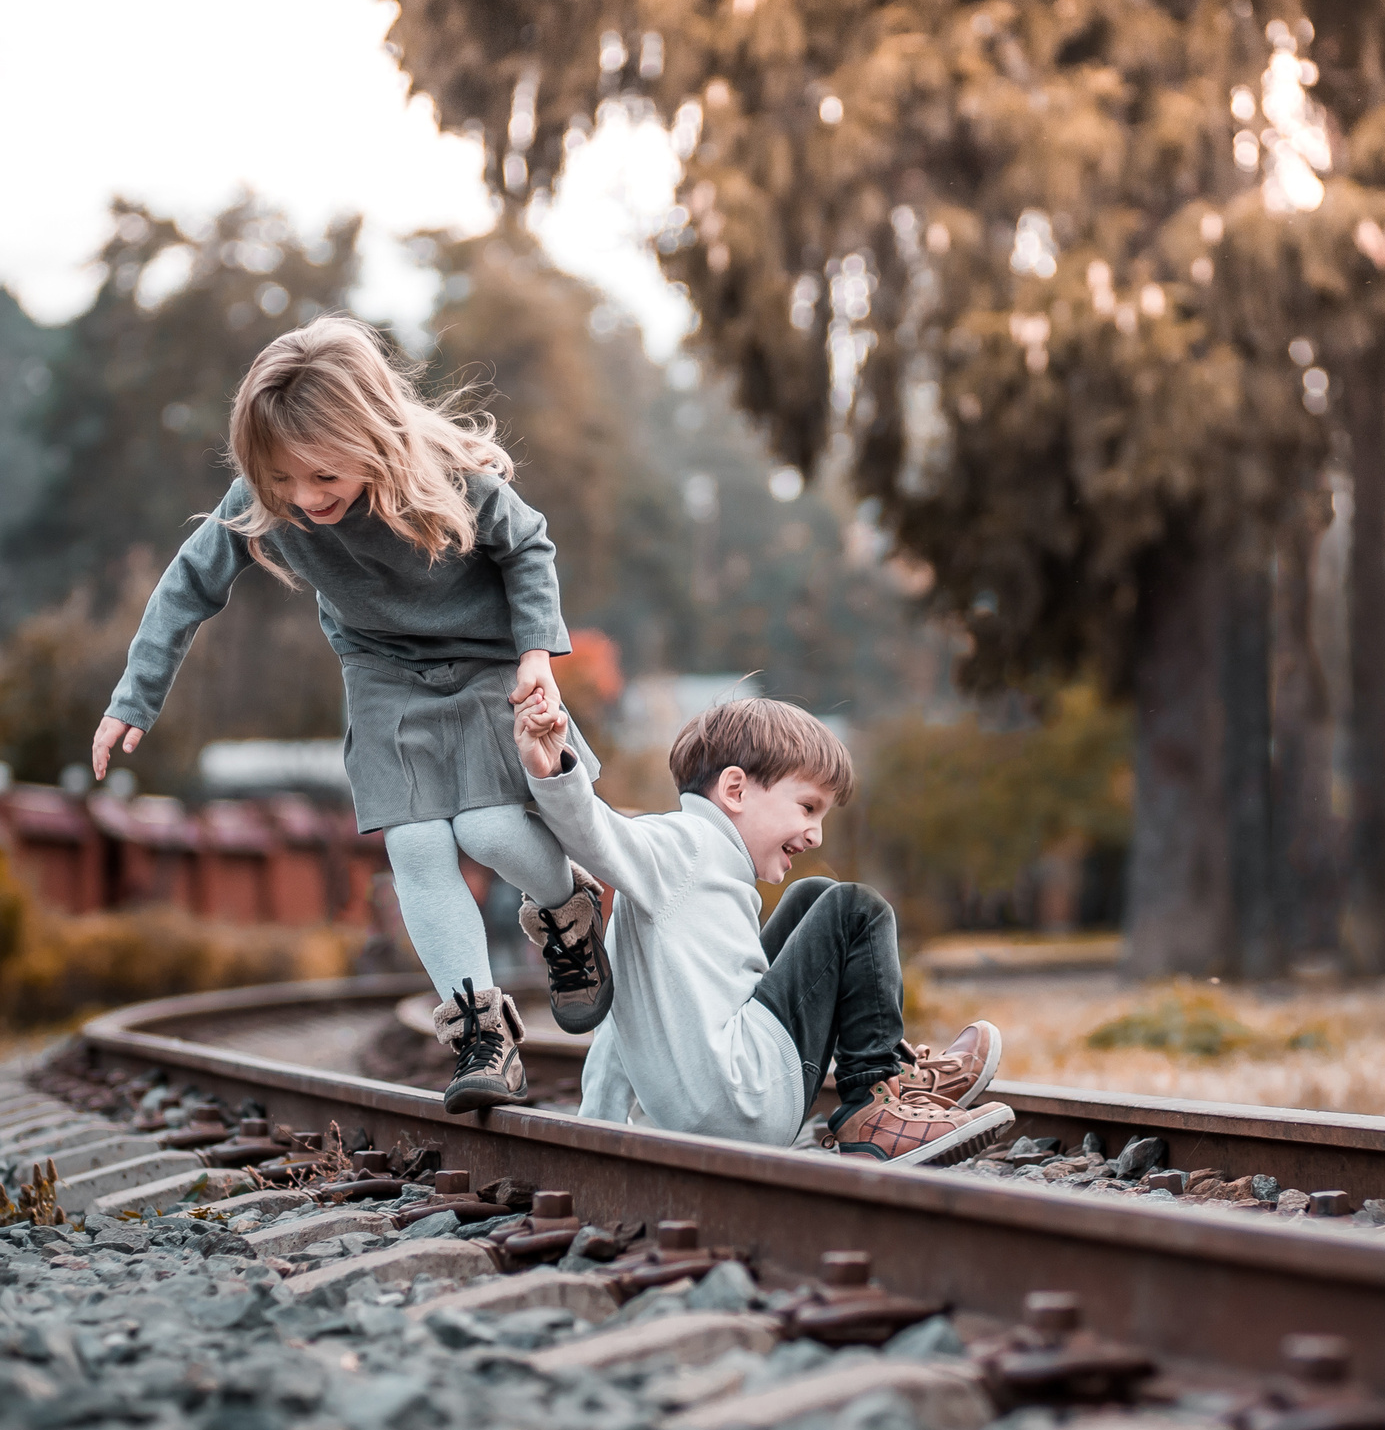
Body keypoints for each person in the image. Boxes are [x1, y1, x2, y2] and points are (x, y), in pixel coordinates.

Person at [88, 316, 611, 1113]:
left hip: (486, 664)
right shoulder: (267, 501)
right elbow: (187, 586)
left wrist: (539, 655)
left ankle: (567, 909)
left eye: (324, 478)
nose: (304, 500)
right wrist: (135, 695)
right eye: (283, 482)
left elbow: (528, 545)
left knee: (491, 831)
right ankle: (482, 1034)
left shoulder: (442, 479)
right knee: (416, 846)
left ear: (372, 441)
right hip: (383, 672)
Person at [512, 692, 1016, 1163]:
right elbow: (592, 832)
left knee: (810, 897)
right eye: (807, 807)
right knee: (855, 909)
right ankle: (875, 1102)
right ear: (735, 790)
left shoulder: (661, 893)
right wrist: (553, 767)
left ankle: (893, 1081)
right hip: (745, 1099)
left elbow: (620, 1026)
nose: (816, 834)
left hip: (702, 1114)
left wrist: (597, 1126)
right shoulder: (680, 846)